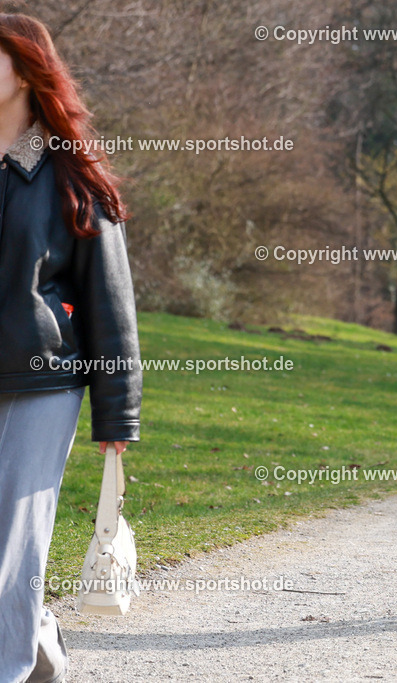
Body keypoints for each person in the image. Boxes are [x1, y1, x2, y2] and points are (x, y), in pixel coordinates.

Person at [0, 14, 142, 682]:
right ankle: (41, 645)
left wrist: (118, 418)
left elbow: (111, 301)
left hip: (43, 381)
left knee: (14, 540)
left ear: (26, 70)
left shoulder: (71, 172)